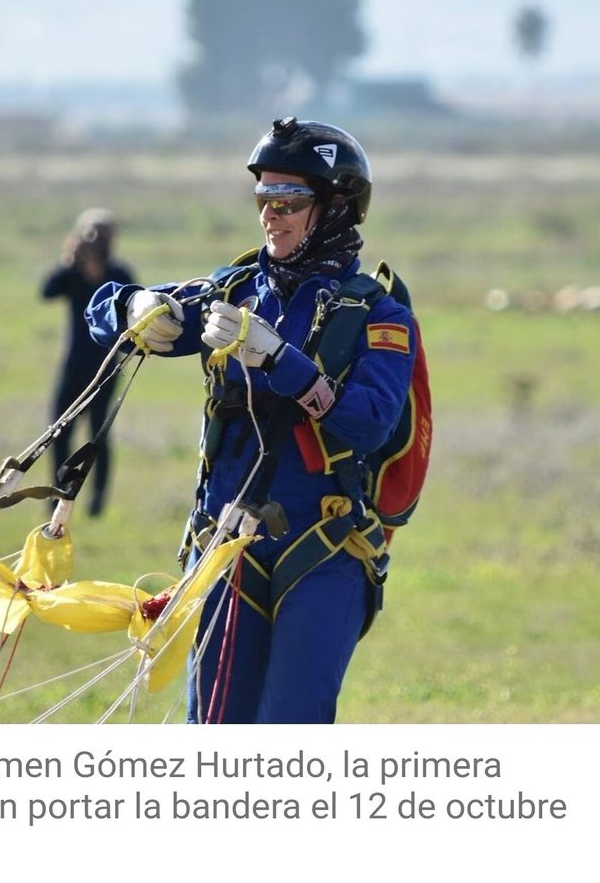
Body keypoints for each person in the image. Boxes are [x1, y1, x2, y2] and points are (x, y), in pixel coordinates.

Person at [85, 118, 416, 723]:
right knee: (211, 729)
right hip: (225, 548)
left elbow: (369, 422)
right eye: (263, 197)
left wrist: (283, 363)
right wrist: (131, 305)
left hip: (322, 551)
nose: (271, 213)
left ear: (336, 208)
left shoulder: (377, 313)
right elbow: (108, 317)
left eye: (289, 200)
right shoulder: (237, 290)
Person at [41, 208, 136, 517]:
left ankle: (96, 502)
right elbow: (46, 291)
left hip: (106, 366)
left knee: (98, 435)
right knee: (58, 432)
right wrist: (68, 259)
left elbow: (136, 306)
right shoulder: (72, 271)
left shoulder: (119, 274)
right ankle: (57, 497)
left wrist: (97, 273)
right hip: (74, 363)